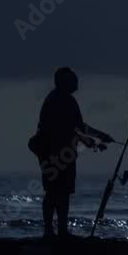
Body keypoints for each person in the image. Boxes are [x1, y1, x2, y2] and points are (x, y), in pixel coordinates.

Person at [32, 67, 114, 239]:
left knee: (59, 191)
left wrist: (93, 141)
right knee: (56, 192)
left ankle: (56, 230)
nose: (77, 83)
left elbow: (73, 129)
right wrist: (100, 136)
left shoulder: (57, 98)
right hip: (55, 153)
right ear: (64, 82)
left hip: (58, 152)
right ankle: (53, 231)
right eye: (73, 80)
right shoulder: (63, 100)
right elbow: (79, 127)